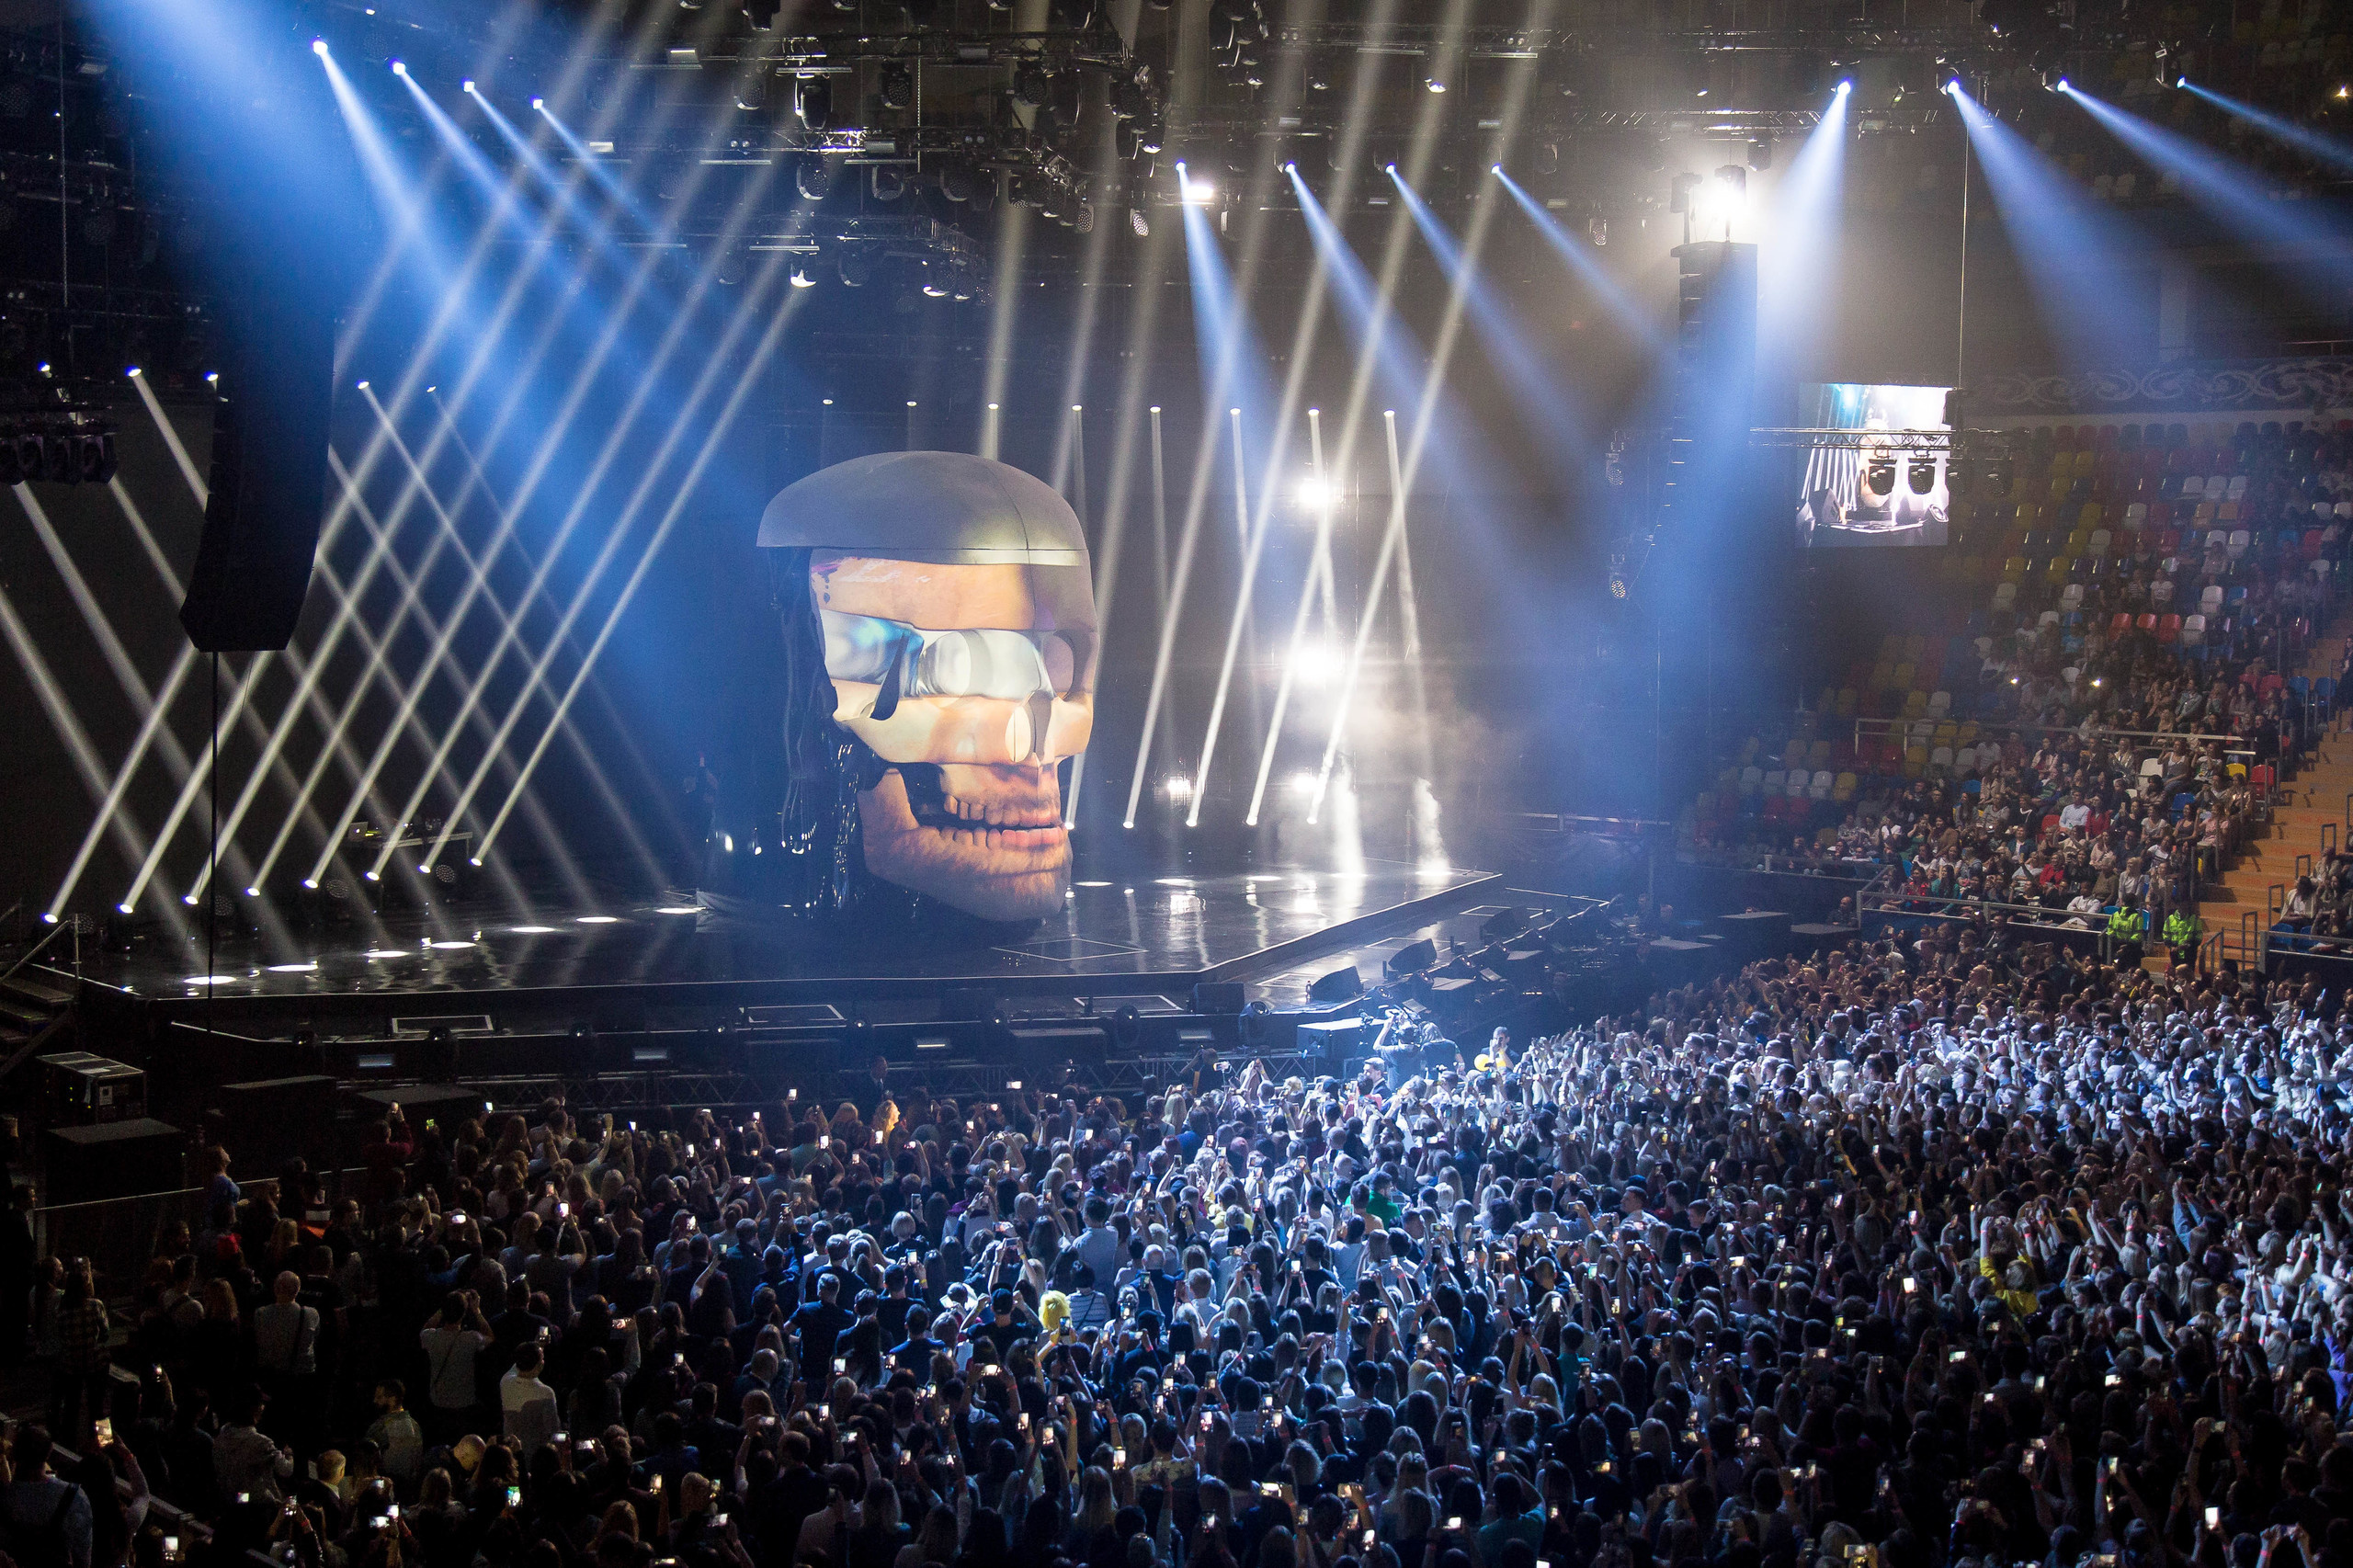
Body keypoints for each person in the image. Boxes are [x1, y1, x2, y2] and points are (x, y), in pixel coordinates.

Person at [0, 1426, 91, 1568]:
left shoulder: (5, 1499)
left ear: (14, 1453)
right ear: (49, 1452)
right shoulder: (74, 1496)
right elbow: (83, 1554)